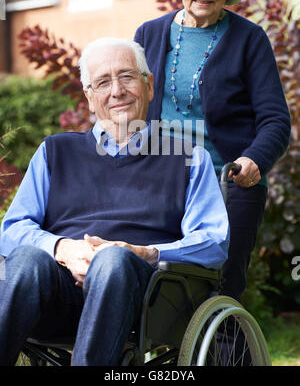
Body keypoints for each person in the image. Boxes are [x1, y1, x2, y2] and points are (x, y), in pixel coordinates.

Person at [0, 37, 229, 366]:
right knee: (23, 259)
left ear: (149, 86)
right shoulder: (54, 152)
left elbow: (213, 241)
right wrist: (62, 249)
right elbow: (11, 229)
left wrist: (146, 253)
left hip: (145, 301)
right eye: (103, 82)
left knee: (112, 261)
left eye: (127, 76)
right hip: (58, 296)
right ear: (90, 99)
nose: (117, 91)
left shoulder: (188, 157)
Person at [134, 0, 291, 301]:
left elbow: (276, 121)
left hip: (228, 183)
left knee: (218, 288)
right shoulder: (148, 34)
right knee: (150, 281)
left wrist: (254, 159)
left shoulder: (249, 39)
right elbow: (127, 106)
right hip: (161, 182)